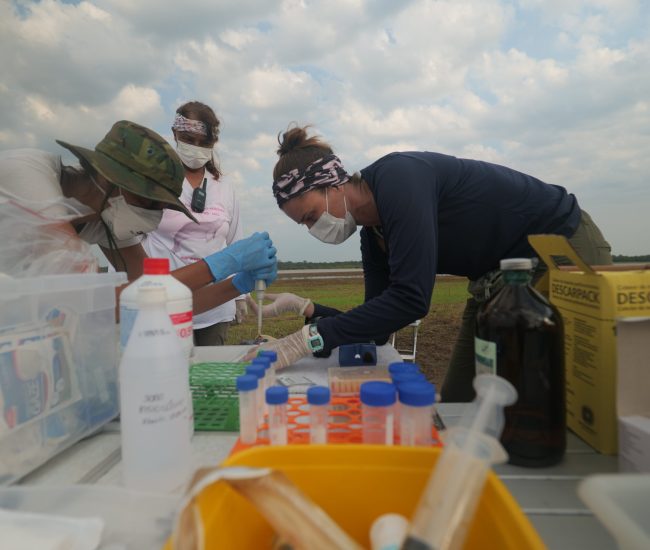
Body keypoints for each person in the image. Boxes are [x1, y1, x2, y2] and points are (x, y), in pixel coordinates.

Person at [247, 124, 611, 402]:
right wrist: (307, 309)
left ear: (334, 182)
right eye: (305, 224)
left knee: (567, 393)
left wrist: (305, 341)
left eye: (311, 216)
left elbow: (411, 298)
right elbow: (378, 323)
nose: (315, 229)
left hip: (558, 249)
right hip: (495, 282)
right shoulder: (373, 236)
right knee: (457, 400)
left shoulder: (399, 178)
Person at [0, 120, 277, 314]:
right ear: (114, 181)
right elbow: (89, 305)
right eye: (149, 202)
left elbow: (160, 299)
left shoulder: (102, 218)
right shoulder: (28, 177)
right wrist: (217, 263)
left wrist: (237, 284)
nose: (153, 218)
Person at [141, 102, 247, 346]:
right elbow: (131, 239)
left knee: (207, 379)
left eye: (204, 142)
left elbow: (235, 243)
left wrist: (241, 295)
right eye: (189, 139)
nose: (196, 148)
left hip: (216, 308)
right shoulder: (155, 181)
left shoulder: (225, 188)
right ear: (175, 134)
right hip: (163, 306)